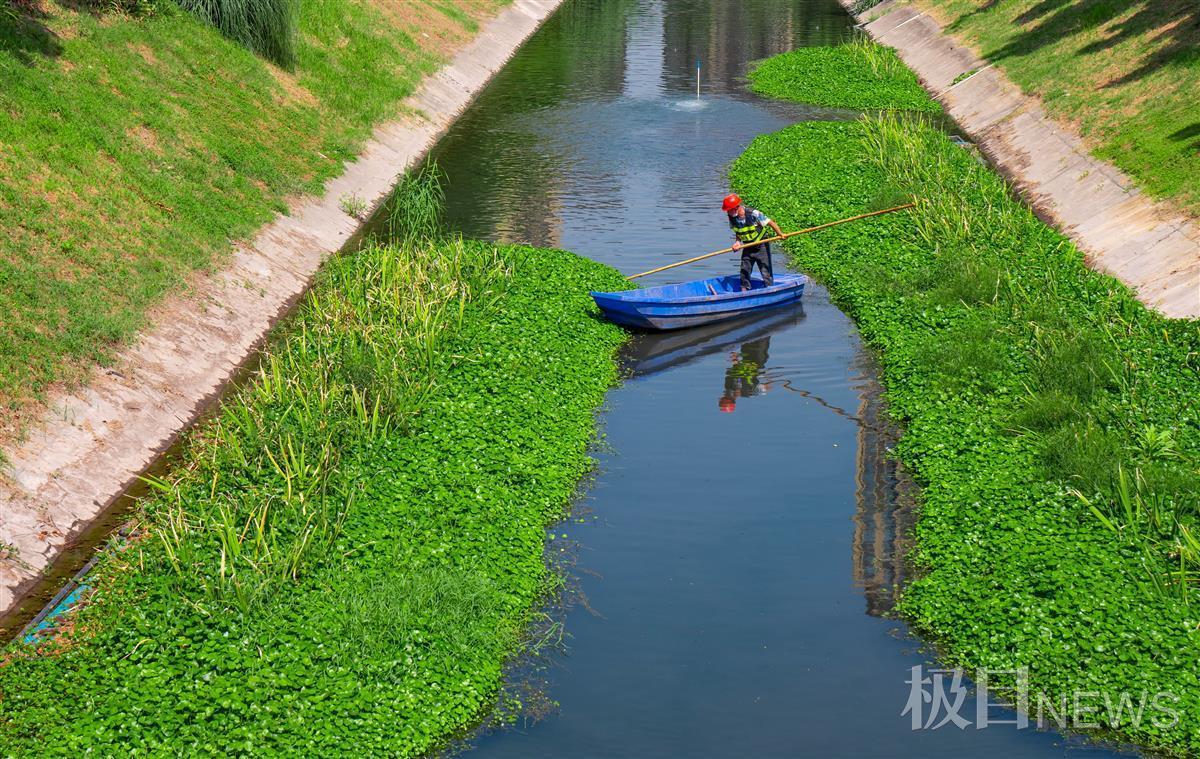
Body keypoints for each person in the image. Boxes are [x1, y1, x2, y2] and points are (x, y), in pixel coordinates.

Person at [722, 193, 783, 291]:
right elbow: (739, 232)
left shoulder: (753, 213)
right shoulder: (732, 218)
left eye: (728, 210)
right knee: (744, 270)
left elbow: (771, 223)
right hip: (748, 246)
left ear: (736, 208)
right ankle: (744, 292)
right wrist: (737, 243)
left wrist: (780, 234)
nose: (728, 213)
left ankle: (770, 290)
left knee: (765, 270)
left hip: (761, 245)